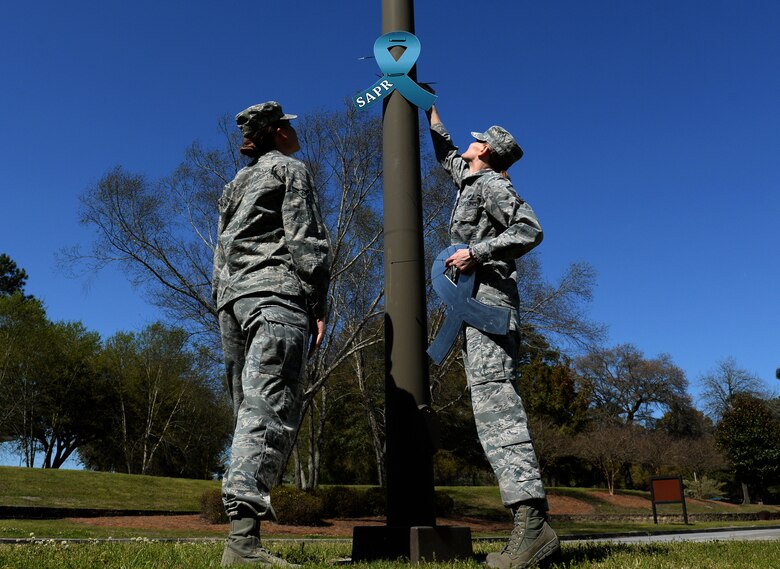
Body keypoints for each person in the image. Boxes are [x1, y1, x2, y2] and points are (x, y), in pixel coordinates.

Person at [425, 101, 559, 569]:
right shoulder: (471, 179)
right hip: (472, 306)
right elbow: (448, 157)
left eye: (474, 138)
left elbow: (529, 229)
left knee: (497, 407)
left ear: (485, 149)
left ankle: (532, 526)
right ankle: (528, 525)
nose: (468, 142)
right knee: (488, 406)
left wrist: (477, 253)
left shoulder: (496, 186)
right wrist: (432, 117)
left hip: (489, 307)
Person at [212, 101, 331, 566]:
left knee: (246, 410)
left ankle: (241, 538)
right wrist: (318, 304)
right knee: (267, 408)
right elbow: (305, 241)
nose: (292, 131)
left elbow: (221, 254)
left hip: (232, 304)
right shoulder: (290, 170)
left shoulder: (234, 184)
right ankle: (242, 546)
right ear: (278, 132)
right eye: (286, 125)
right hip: (276, 297)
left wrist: (225, 305)